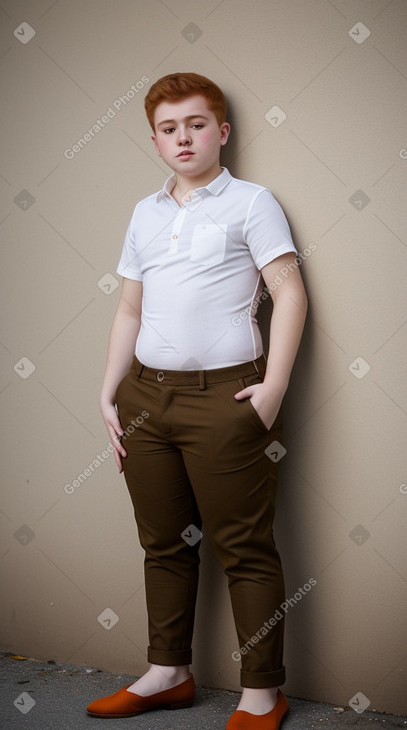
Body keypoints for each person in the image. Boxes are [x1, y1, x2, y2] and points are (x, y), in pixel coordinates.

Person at [87, 72, 307, 729]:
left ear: (221, 131)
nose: (183, 137)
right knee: (162, 544)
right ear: (154, 139)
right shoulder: (144, 213)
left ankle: (262, 693)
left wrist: (273, 389)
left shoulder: (251, 202)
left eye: (196, 124)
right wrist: (108, 391)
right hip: (146, 400)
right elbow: (130, 307)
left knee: (243, 546)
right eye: (168, 128)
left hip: (226, 397)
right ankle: (168, 673)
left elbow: (289, 294)